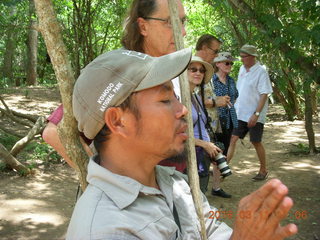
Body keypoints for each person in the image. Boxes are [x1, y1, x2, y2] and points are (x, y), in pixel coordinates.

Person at [66, 48, 297, 239]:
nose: (183, 110)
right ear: (118, 121)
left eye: (176, 98)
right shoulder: (106, 229)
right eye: (166, 99)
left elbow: (212, 229)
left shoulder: (175, 183)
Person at [42, 0, 187, 169]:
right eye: (170, 22)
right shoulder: (119, 71)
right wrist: (104, 181)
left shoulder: (170, 69)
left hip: (168, 186)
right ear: (143, 26)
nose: (182, 32)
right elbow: (53, 132)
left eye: (182, 22)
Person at [227, 44, 273, 181]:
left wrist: (256, 114)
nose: (241, 59)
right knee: (233, 139)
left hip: (254, 115)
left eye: (244, 57)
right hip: (240, 112)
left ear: (252, 57)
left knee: (256, 141)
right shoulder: (242, 69)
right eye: (240, 56)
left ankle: (263, 170)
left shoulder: (261, 71)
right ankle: (223, 167)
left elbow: (265, 94)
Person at [195, 34, 232, 198]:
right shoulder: (194, 68)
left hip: (208, 127)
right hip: (198, 131)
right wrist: (217, 101)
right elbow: (195, 100)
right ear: (203, 48)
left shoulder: (206, 69)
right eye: (215, 51)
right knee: (199, 170)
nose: (217, 55)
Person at [187, 55, 220, 194]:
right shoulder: (178, 98)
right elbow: (176, 135)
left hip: (202, 154)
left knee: (202, 193)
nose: (198, 73)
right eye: (193, 69)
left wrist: (210, 148)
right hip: (189, 156)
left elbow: (201, 126)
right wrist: (205, 145)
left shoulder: (196, 97)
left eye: (201, 70)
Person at [212, 52, 238, 156]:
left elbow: (235, 96)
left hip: (229, 121)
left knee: (224, 152)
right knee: (214, 152)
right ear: (217, 64)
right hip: (215, 122)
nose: (230, 66)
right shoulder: (211, 80)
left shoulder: (231, 81)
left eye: (231, 63)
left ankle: (220, 171)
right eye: (227, 63)